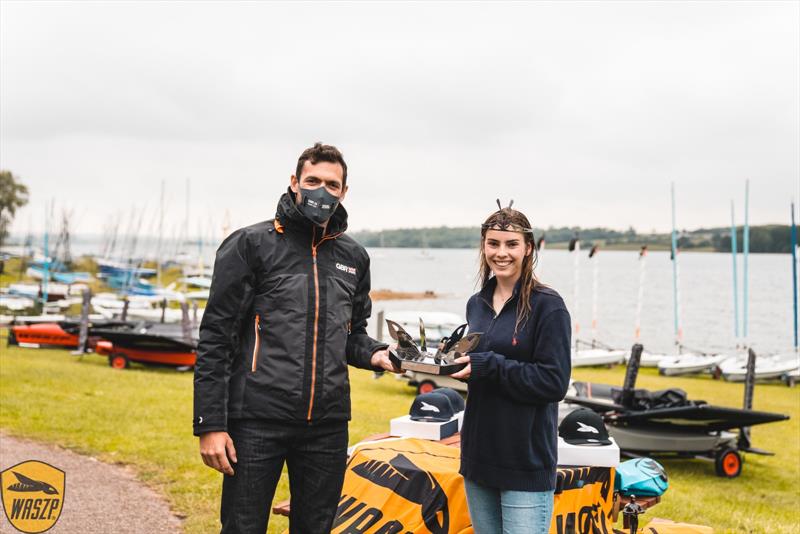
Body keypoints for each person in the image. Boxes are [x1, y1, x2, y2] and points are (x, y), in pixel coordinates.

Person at [193, 142, 398, 534]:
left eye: (332, 184)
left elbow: (352, 335)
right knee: (242, 527)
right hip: (255, 421)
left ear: (344, 192)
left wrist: (378, 354)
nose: (322, 191)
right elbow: (216, 339)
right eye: (313, 180)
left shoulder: (354, 257)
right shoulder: (250, 244)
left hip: (327, 424)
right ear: (294, 182)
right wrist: (210, 424)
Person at [450, 204, 571, 533]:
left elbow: (553, 382)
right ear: (483, 246)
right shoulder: (476, 304)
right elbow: (475, 366)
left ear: (528, 248)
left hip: (525, 463)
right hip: (478, 458)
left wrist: (487, 366)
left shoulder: (549, 306)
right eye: (493, 244)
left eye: (511, 244)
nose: (501, 253)